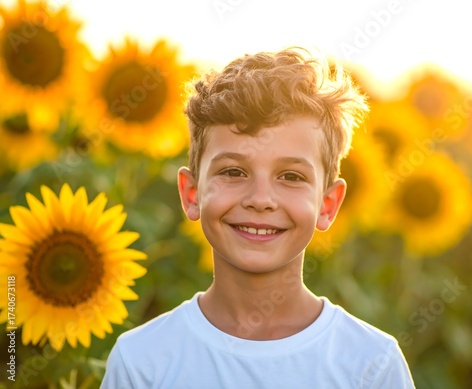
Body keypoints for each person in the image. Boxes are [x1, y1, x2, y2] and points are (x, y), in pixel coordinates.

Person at [100, 47, 415, 388]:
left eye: (291, 177)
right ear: (192, 194)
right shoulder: (142, 362)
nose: (260, 200)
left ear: (328, 204)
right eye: (234, 171)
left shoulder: (371, 365)